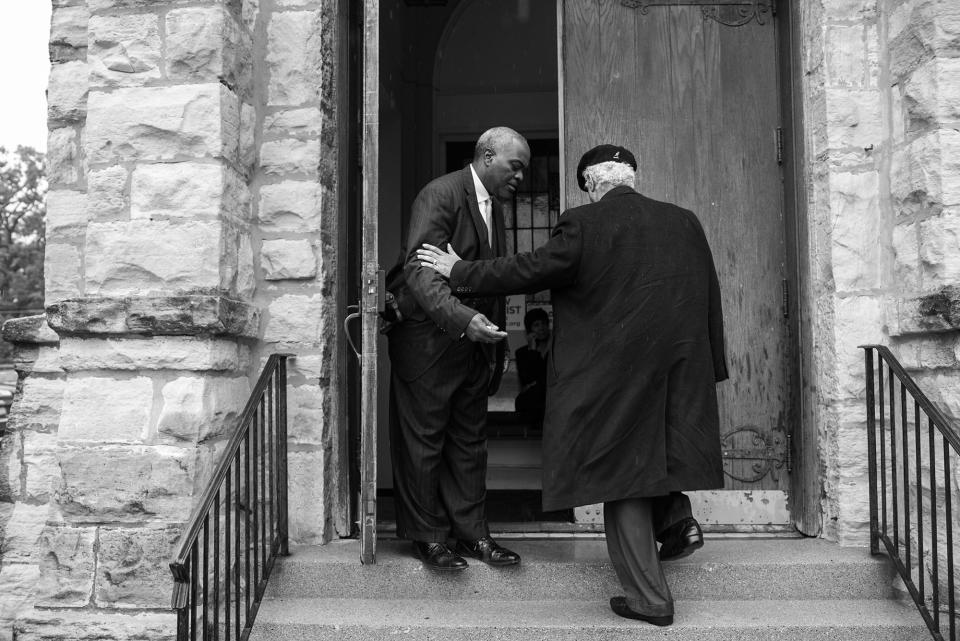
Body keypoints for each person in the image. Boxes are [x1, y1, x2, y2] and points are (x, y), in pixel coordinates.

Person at [417, 144, 728, 624]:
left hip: (615, 376)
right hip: (676, 370)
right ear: (631, 176)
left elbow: (529, 270)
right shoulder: (684, 220)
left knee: (622, 479)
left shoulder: (583, 224)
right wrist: (712, 365)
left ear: (590, 184)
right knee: (654, 459)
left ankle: (650, 601)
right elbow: (709, 294)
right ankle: (676, 519)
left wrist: (456, 269)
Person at [387, 126, 530, 572]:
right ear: (487, 157)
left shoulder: (495, 209)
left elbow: (493, 276)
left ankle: (472, 536)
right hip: (429, 345)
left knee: (470, 443)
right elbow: (419, 270)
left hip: (473, 349)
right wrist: (465, 320)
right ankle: (428, 538)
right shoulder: (441, 195)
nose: (520, 177)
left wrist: (496, 343)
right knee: (424, 443)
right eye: (515, 166)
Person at [514, 307, 550, 428]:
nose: (542, 328)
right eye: (536, 325)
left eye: (544, 323)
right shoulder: (521, 353)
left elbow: (544, 379)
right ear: (529, 330)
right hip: (532, 403)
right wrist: (533, 350)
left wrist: (536, 383)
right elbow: (528, 378)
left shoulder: (555, 350)